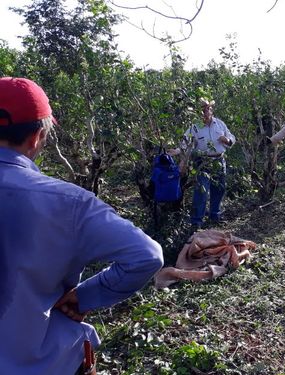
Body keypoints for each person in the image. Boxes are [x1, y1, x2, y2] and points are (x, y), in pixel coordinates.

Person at [0, 77, 164, 374]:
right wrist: (85, 296)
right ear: (37, 137)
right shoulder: (69, 202)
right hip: (48, 363)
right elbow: (146, 255)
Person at [173, 98, 236, 226]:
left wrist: (227, 140)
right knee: (201, 192)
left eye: (208, 108)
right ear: (198, 111)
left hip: (219, 159)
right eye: (203, 109)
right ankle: (197, 221)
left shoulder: (219, 124)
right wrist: (178, 151)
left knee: (219, 188)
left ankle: (215, 215)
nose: (206, 111)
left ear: (211, 110)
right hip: (203, 162)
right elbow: (186, 143)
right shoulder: (195, 127)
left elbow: (231, 138)